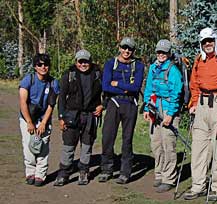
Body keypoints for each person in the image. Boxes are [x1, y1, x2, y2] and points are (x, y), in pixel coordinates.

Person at [183, 27, 217, 201]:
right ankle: (198, 185)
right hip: (202, 106)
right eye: (204, 42)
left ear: (215, 40)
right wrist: (193, 103)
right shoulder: (199, 59)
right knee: (198, 148)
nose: (207, 44)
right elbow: (194, 84)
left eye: (210, 41)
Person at [54, 49, 103, 186]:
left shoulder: (98, 74)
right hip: (71, 115)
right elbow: (62, 98)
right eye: (80, 61)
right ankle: (64, 173)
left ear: (90, 61)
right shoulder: (68, 75)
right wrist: (61, 117)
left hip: (90, 116)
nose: (83, 64)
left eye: (85, 61)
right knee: (68, 146)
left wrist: (102, 105)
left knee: (87, 145)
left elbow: (107, 92)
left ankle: (84, 171)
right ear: (76, 62)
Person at [99, 37, 145, 184]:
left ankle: (125, 172)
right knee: (107, 137)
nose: (126, 51)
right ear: (119, 48)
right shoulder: (110, 64)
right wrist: (125, 88)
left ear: (133, 51)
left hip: (130, 104)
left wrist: (117, 83)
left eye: (130, 49)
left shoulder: (138, 65)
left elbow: (136, 87)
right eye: (124, 47)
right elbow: (106, 86)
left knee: (127, 139)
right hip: (113, 102)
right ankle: (107, 169)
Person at [143, 39, 183, 193]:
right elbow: (148, 89)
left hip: (167, 111)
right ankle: (159, 173)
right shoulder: (153, 67)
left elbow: (176, 94)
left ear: (169, 53)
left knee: (168, 145)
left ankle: (169, 178)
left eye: (164, 52)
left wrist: (171, 115)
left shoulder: (173, 70)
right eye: (159, 51)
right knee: (156, 144)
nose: (161, 54)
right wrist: (147, 108)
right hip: (154, 109)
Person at [18, 53, 59, 187]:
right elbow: (23, 102)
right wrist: (29, 122)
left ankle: (40, 174)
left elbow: (51, 105)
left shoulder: (53, 83)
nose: (43, 67)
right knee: (29, 145)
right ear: (35, 67)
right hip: (27, 117)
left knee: (43, 146)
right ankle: (30, 172)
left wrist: (43, 123)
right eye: (40, 64)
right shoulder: (28, 80)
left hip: (43, 118)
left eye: (45, 64)